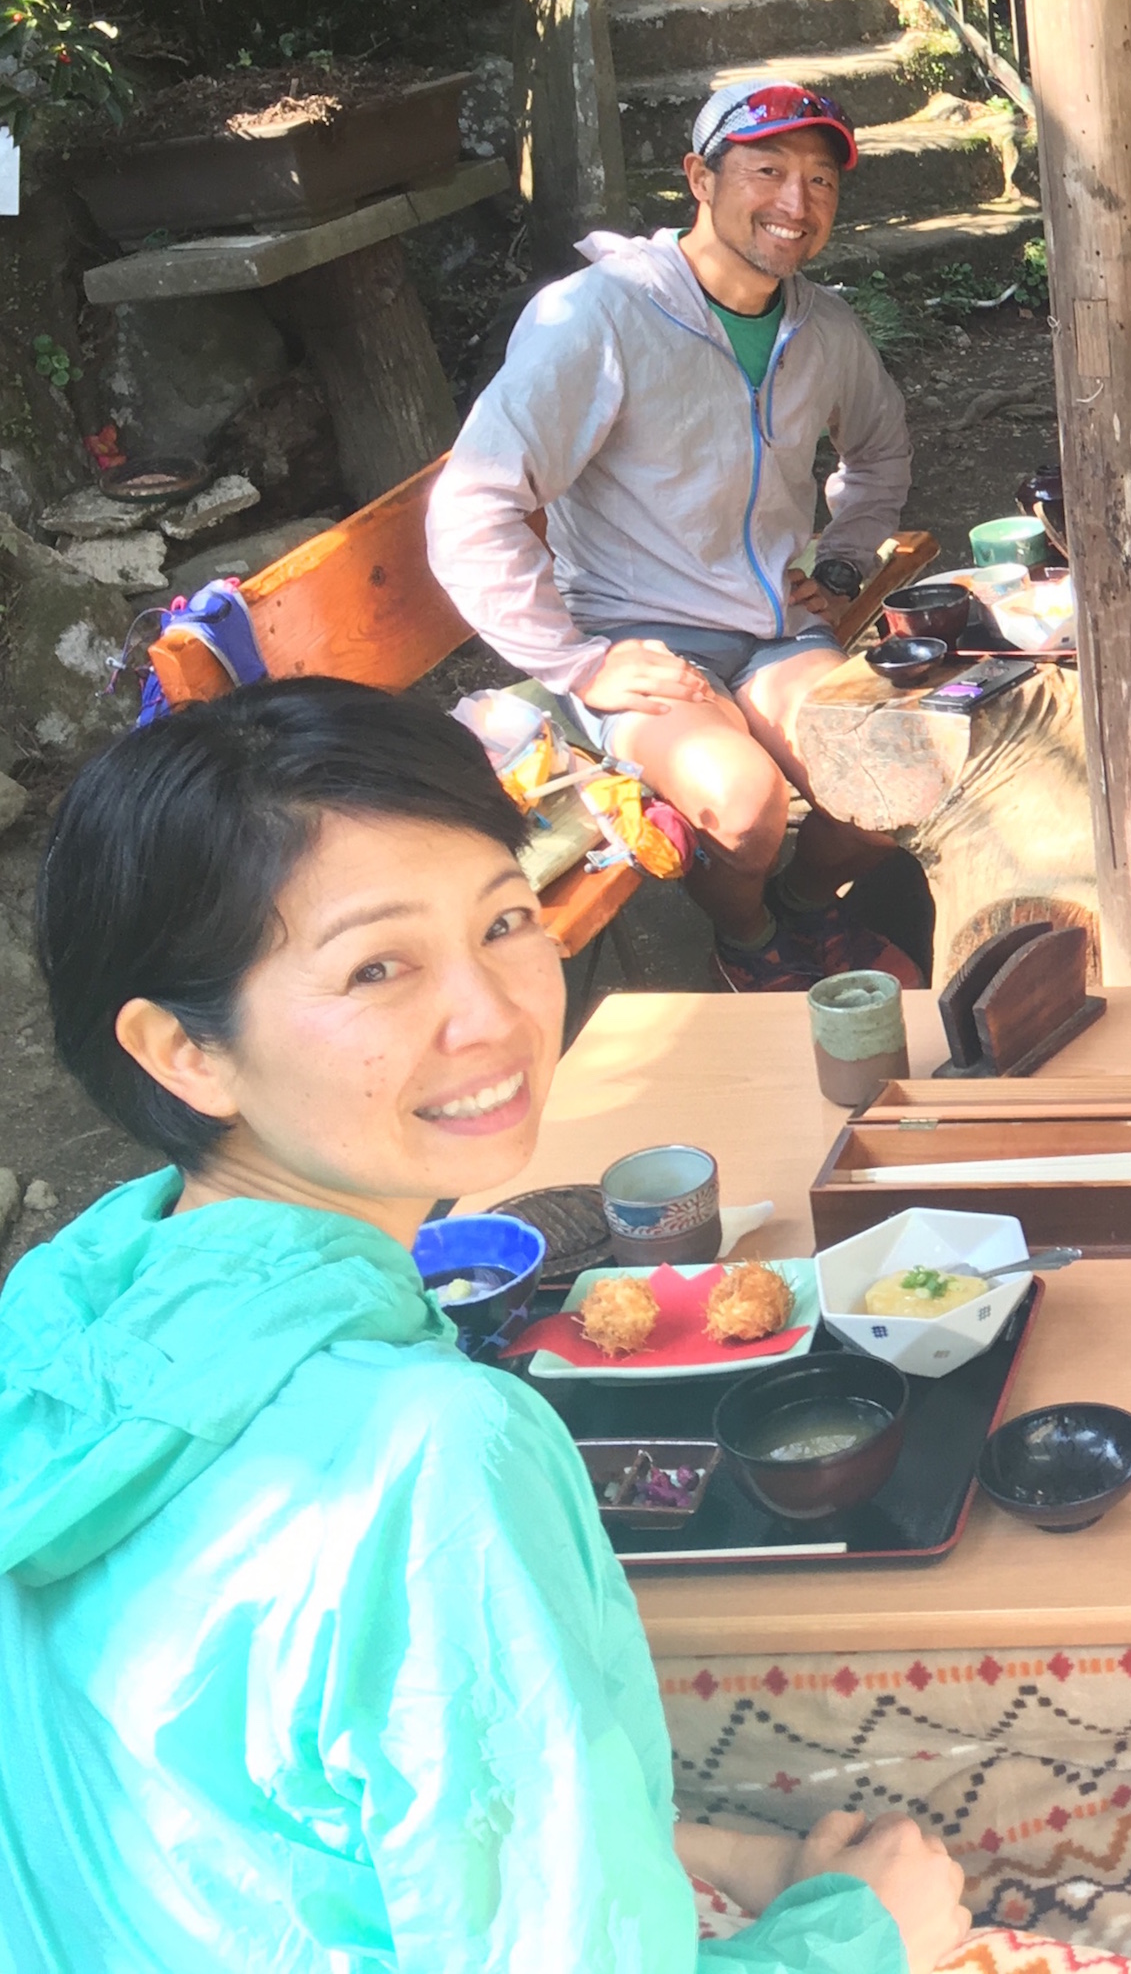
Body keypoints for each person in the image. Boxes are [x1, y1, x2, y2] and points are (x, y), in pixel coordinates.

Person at [3, 680, 973, 1971]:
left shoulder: (65, 1306)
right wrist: (862, 1932)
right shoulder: (432, 1458)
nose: (498, 1012)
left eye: (505, 919)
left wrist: (680, 1843)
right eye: (377, 966)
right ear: (185, 1050)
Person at [428, 78, 918, 993]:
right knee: (745, 804)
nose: (795, 201)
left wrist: (845, 561)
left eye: (820, 180)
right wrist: (578, 663)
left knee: (895, 774)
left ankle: (806, 909)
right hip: (639, 640)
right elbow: (472, 505)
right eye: (767, 170)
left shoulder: (822, 326)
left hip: (775, 629)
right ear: (700, 178)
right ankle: (747, 937)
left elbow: (880, 450)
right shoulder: (601, 315)